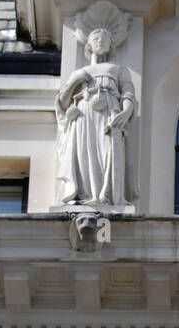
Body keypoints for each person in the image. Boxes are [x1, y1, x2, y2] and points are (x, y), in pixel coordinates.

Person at [55, 27, 136, 208]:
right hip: (82, 115)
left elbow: (128, 94)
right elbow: (62, 101)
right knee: (85, 153)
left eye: (104, 39)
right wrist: (75, 80)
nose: (100, 41)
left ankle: (105, 196)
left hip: (109, 115)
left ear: (110, 46)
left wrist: (125, 113)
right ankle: (85, 195)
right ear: (89, 45)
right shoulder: (80, 72)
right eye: (96, 39)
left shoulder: (118, 70)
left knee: (107, 153)